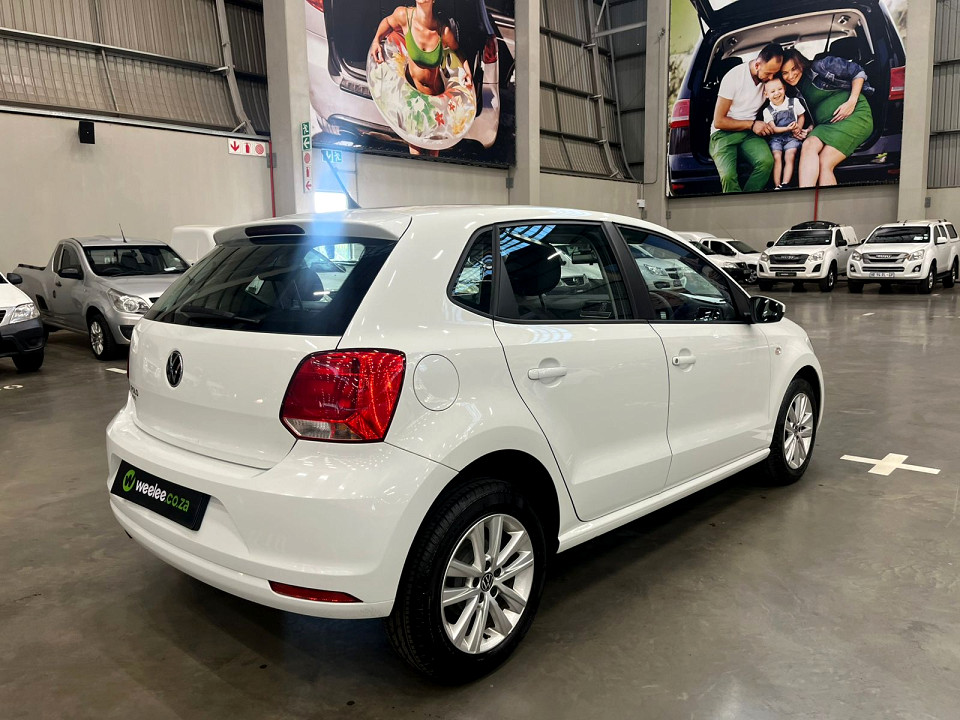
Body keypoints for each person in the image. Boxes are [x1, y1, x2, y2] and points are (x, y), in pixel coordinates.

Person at [369, 0, 465, 155]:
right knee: (415, 155)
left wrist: (466, 72)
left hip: (436, 103)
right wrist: (376, 41)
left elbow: (457, 51)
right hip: (414, 101)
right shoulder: (403, 15)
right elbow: (387, 22)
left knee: (433, 157)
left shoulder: (443, 31)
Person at [780, 47, 874, 187]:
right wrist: (809, 129)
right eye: (785, 73)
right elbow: (812, 114)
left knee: (825, 162)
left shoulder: (822, 65)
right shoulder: (792, 91)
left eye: (794, 69)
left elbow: (858, 72)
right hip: (825, 125)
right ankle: (805, 194)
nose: (791, 75)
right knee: (808, 144)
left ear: (801, 64)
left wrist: (851, 102)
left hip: (854, 114)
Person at [709, 43, 784, 194]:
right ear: (757, 65)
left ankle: (748, 200)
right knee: (728, 176)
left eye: (774, 73)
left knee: (766, 162)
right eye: (768, 73)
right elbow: (719, 121)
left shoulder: (768, 80)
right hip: (723, 134)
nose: (771, 78)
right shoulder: (733, 77)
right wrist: (752, 124)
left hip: (748, 134)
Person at [761, 77, 805, 189]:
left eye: (779, 89)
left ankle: (785, 183)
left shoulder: (794, 102)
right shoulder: (767, 111)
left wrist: (799, 127)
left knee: (790, 155)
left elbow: (801, 116)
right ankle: (777, 185)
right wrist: (788, 128)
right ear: (766, 95)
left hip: (792, 137)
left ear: (784, 88)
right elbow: (773, 129)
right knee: (777, 157)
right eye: (772, 91)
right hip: (776, 138)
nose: (777, 93)